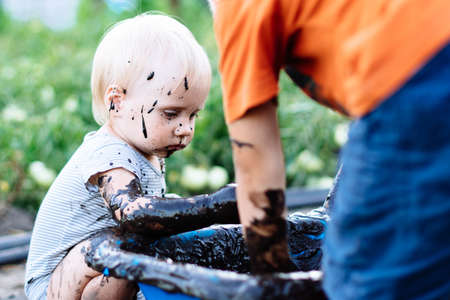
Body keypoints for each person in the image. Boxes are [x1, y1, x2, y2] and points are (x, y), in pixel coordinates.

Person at [208, 0, 450, 299]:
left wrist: (273, 280)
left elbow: (256, 165)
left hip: (414, 72)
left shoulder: (237, 8)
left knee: (363, 277)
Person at [25, 13, 211, 300]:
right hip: (54, 287)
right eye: (171, 114)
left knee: (155, 241)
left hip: (92, 269)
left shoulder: (143, 148)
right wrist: (212, 205)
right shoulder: (109, 156)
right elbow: (135, 215)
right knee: (132, 248)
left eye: (193, 115)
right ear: (117, 102)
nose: (185, 128)